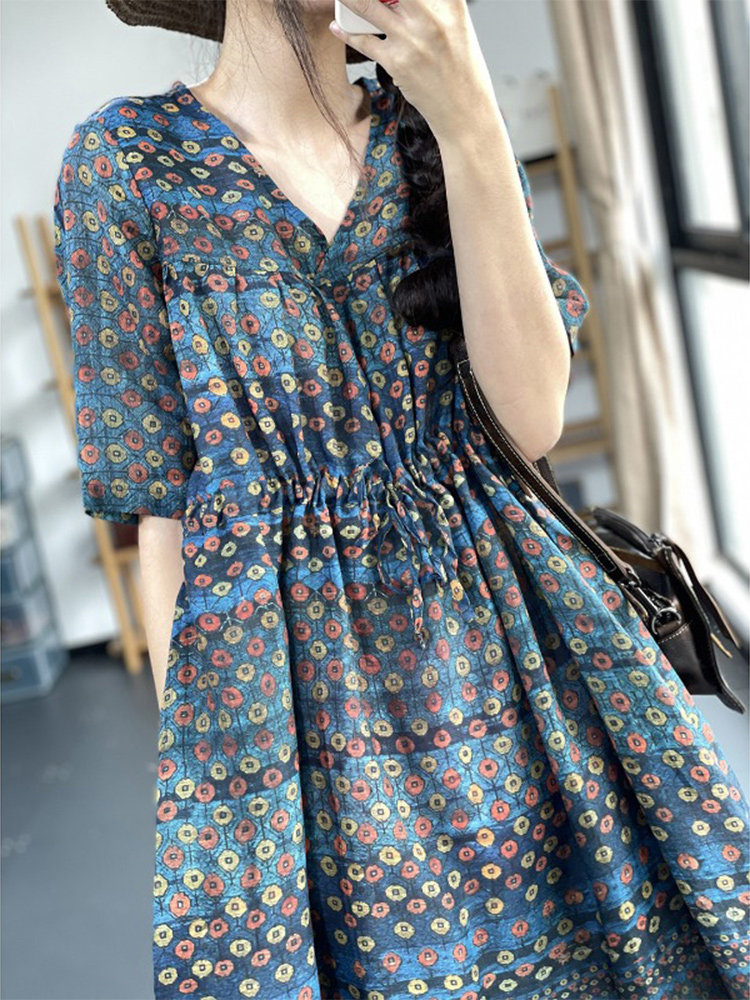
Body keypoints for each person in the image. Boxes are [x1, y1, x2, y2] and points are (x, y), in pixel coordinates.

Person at [52, 1, 750, 998]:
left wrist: (467, 113)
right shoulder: (127, 167)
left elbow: (531, 419)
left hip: (522, 640)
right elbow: (161, 507)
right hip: (295, 694)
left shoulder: (435, 124)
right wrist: (212, 789)